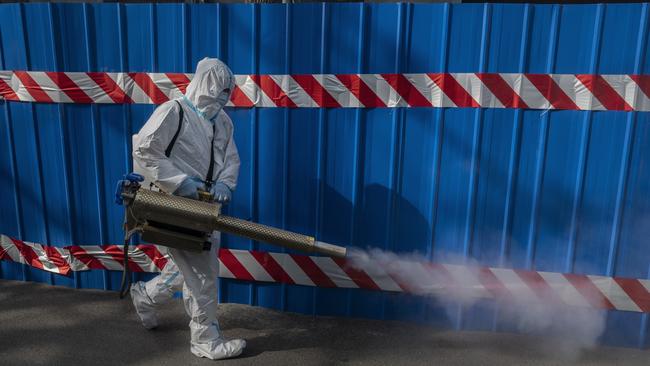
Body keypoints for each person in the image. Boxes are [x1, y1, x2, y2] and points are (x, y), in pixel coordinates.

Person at [129, 57, 245, 360]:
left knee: (189, 266)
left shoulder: (222, 121)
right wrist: (180, 182)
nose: (224, 97)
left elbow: (231, 159)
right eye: (220, 90)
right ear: (206, 85)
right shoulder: (174, 111)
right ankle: (206, 339)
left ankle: (145, 297)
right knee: (203, 273)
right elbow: (144, 149)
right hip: (174, 204)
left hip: (206, 209)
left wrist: (225, 185)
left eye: (228, 92)